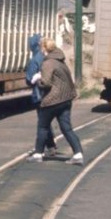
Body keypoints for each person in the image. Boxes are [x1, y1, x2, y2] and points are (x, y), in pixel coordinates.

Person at [26, 37, 84, 166]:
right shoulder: (60, 61)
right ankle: (78, 154)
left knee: (43, 126)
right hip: (66, 98)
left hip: (53, 100)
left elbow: (46, 83)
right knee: (66, 128)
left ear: (44, 49)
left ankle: (37, 154)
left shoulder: (48, 63)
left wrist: (37, 79)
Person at [25, 33, 58, 157]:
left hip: (39, 94)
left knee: (43, 123)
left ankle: (41, 149)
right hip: (52, 93)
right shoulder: (50, 57)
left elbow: (29, 79)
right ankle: (50, 145)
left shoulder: (35, 59)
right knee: (47, 122)